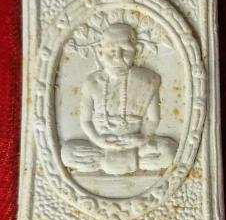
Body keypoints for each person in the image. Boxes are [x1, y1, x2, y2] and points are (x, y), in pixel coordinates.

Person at [61, 23, 176, 175]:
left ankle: (118, 160)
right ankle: (116, 160)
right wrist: (97, 140)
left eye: (125, 50)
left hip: (136, 145)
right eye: (111, 51)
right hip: (101, 146)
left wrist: (142, 138)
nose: (118, 57)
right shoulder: (92, 82)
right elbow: (85, 121)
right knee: (67, 154)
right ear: (100, 53)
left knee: (169, 152)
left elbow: (153, 119)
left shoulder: (148, 80)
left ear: (137, 51)